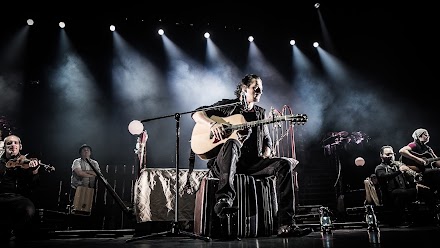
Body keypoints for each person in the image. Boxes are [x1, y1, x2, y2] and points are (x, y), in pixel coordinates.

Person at [191, 74, 312, 237]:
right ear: (244, 89)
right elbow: (196, 114)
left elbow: (267, 141)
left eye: (261, 89)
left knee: (284, 164)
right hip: (225, 163)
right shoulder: (228, 106)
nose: (260, 91)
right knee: (232, 143)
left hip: (251, 164)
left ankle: (286, 225)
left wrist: (267, 153)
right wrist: (213, 124)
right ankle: (223, 199)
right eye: (256, 88)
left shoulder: (261, 114)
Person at [375, 145, 435, 226]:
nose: (390, 156)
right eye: (387, 154)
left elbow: (408, 179)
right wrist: (399, 171)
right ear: (381, 156)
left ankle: (433, 215)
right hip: (390, 194)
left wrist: (415, 181)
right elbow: (384, 177)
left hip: (403, 191)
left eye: (392, 154)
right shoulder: (380, 168)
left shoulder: (398, 165)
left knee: (425, 190)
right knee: (403, 192)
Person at [0, 135, 40, 242]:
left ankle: (12, 232)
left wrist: (34, 173)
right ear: (4, 147)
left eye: (15, 143)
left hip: (17, 197)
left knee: (28, 209)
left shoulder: (25, 162)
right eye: (9, 143)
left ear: (20, 146)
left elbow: (33, 186)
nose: (13, 145)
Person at [399, 128, 440, 193]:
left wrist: (434, 155)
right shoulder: (413, 144)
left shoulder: (427, 148)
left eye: (428, 135)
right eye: (426, 135)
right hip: (416, 171)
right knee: (437, 172)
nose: (428, 137)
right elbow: (402, 151)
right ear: (419, 136)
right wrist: (417, 159)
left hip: (424, 170)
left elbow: (437, 163)